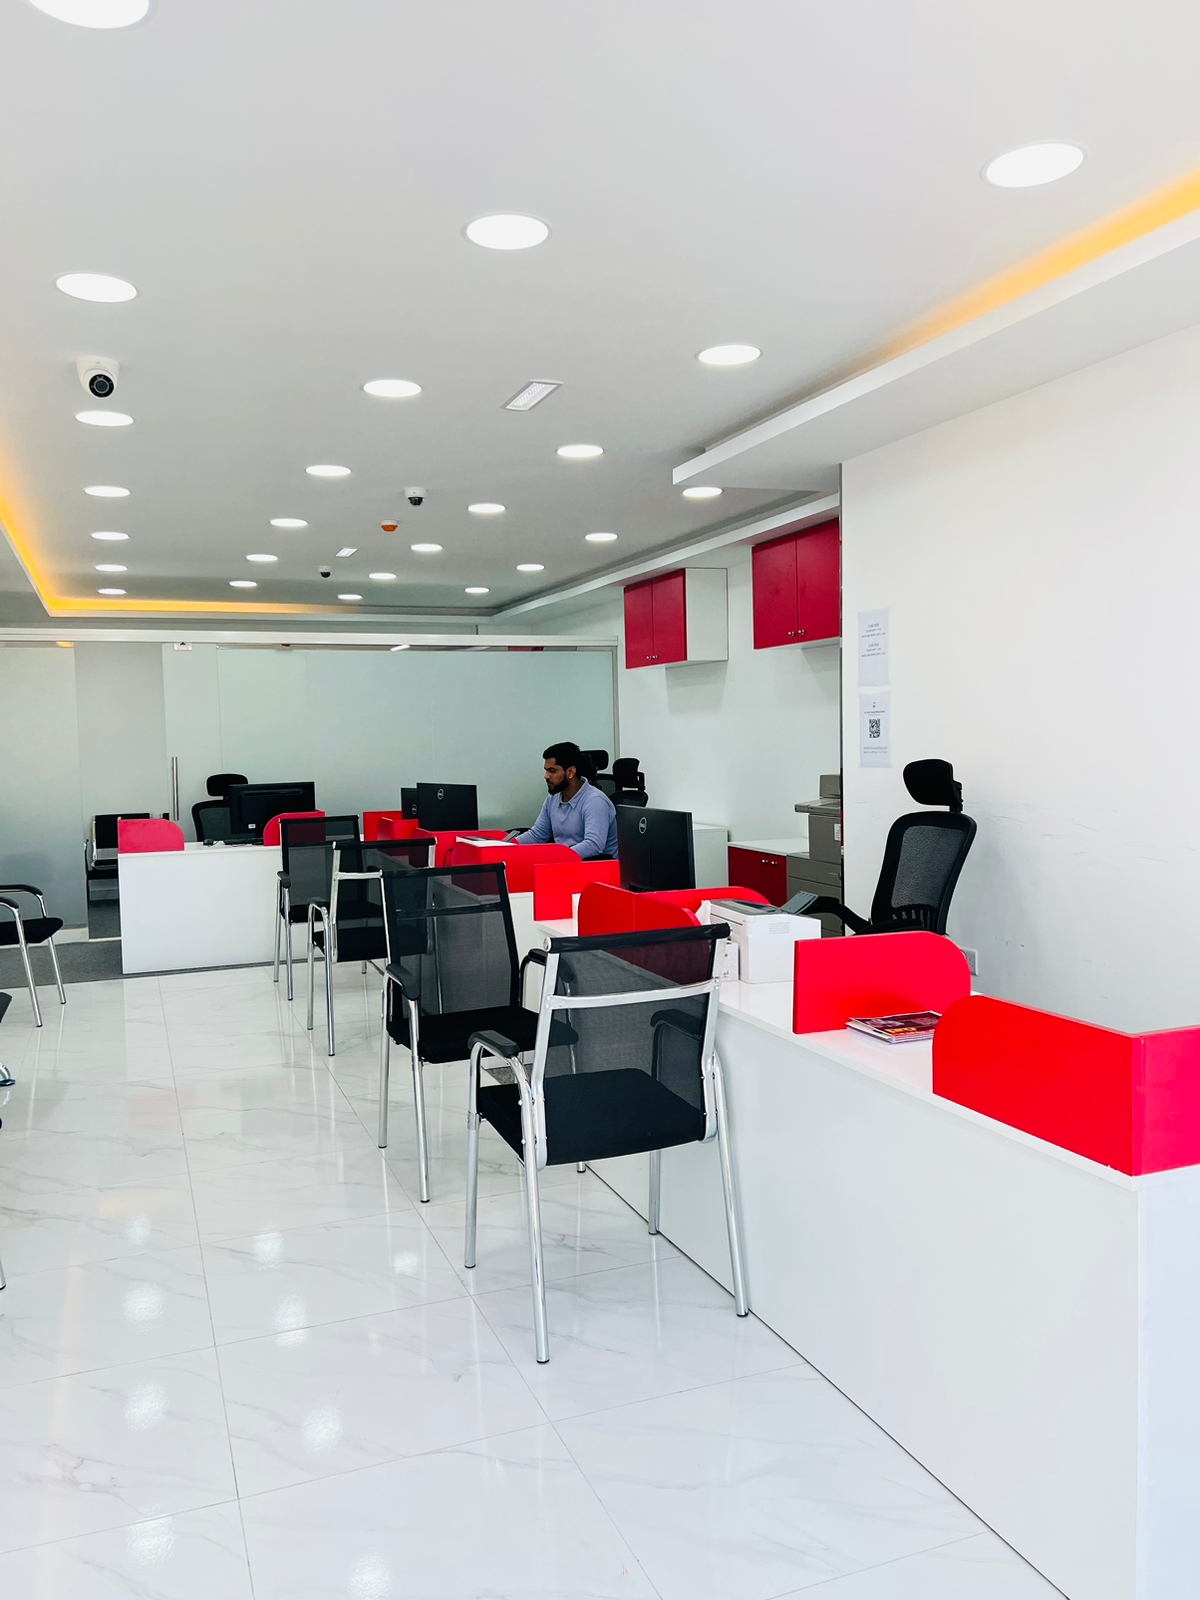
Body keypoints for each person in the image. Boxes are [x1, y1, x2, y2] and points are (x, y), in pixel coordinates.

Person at [513, 741, 618, 860]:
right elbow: (537, 835)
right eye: (546, 770)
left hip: (595, 866)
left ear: (570, 772)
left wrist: (556, 858)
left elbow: (593, 845)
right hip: (565, 863)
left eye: (552, 771)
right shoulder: (553, 798)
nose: (546, 776)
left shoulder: (595, 801)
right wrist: (506, 845)